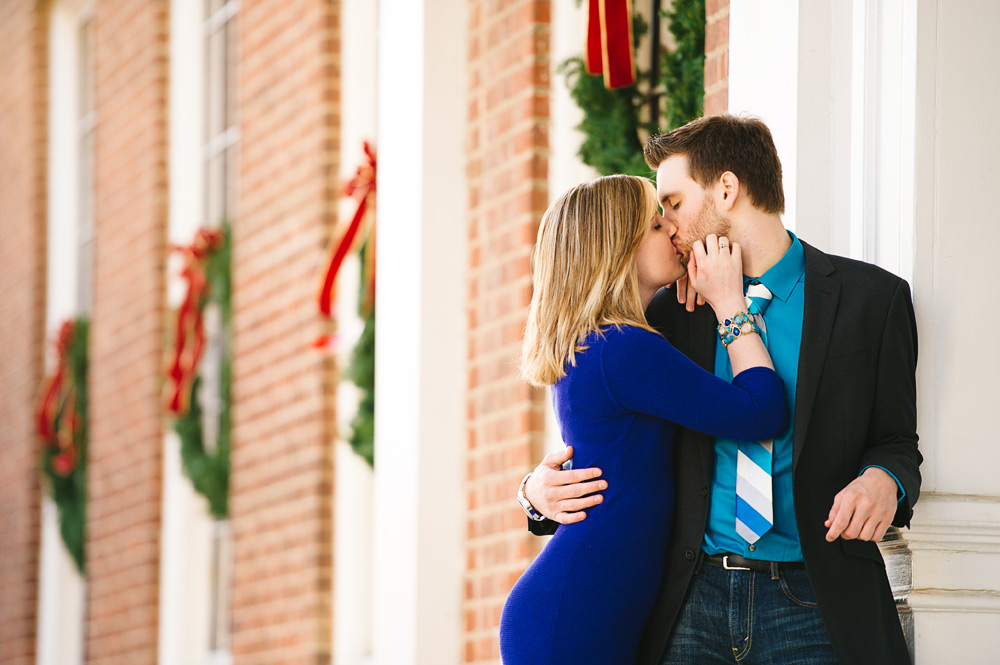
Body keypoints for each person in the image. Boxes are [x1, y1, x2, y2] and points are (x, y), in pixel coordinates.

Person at [518, 115, 921, 665]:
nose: (667, 224)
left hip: (815, 599)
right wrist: (535, 492)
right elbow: (602, 435)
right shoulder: (666, 313)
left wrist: (886, 479)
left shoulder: (872, 300)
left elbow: (898, 439)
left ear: (726, 190)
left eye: (673, 205)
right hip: (689, 601)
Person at [499, 173, 788, 665]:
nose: (674, 231)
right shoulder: (624, 349)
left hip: (586, 608)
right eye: (657, 225)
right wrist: (729, 305)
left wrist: (531, 492)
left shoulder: (599, 343)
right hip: (577, 617)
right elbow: (762, 412)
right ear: (619, 247)